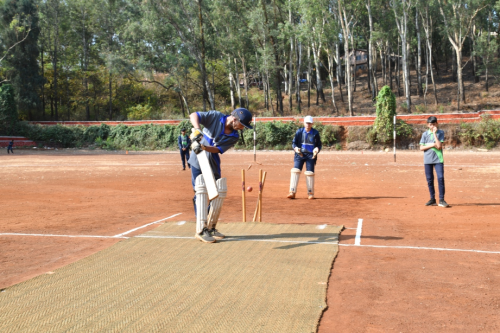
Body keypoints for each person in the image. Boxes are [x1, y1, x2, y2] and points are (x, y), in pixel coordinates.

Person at [188, 108, 253, 243]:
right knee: (200, 191)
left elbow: (218, 149)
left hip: (212, 162)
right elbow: (194, 115)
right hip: (197, 160)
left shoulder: (234, 136)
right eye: (242, 125)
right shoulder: (216, 116)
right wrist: (197, 130)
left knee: (216, 193)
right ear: (235, 119)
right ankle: (201, 229)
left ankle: (211, 226)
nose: (242, 128)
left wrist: (204, 147)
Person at [287, 116, 322, 200]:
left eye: (309, 123)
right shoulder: (299, 132)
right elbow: (294, 143)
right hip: (300, 154)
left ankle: (310, 193)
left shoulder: (315, 133)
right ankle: (292, 192)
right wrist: (296, 149)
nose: (308, 125)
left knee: (310, 173)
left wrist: (317, 149)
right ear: (304, 123)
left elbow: (319, 145)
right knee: (295, 171)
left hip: (310, 155)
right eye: (306, 123)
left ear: (312, 124)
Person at [420, 116, 449, 208]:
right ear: (428, 125)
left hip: (438, 160)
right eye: (430, 124)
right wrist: (432, 145)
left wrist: (434, 134)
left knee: (440, 178)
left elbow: (439, 146)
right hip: (427, 160)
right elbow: (421, 147)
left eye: (434, 124)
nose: (432, 126)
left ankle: (441, 199)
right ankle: (432, 199)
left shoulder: (440, 132)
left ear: (437, 124)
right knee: (430, 180)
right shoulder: (425, 134)